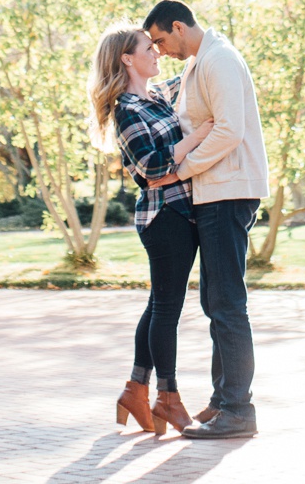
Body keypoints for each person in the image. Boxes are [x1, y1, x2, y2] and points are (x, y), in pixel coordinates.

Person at [143, 0, 268, 440]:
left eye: (160, 40)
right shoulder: (200, 62)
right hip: (213, 193)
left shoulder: (219, 60)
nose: (159, 50)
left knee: (228, 304)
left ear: (178, 26)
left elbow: (229, 130)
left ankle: (239, 409)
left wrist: (181, 170)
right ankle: (223, 401)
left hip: (228, 192)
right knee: (214, 302)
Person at [89, 24, 207, 437]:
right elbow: (154, 167)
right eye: (148, 47)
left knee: (160, 303)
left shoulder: (157, 96)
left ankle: (134, 391)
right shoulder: (127, 109)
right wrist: (200, 138)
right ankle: (167, 397)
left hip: (180, 210)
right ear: (127, 58)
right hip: (164, 219)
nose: (157, 52)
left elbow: (195, 68)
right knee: (167, 309)